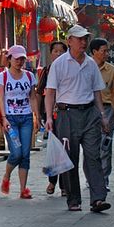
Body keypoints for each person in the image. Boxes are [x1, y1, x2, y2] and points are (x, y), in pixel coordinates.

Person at [44, 25, 110, 213]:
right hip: (66, 115)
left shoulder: (91, 64)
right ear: (69, 41)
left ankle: (98, 198)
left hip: (90, 114)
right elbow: (50, 92)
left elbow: (97, 91)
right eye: (80, 39)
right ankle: (73, 200)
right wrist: (49, 117)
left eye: (85, 39)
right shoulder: (59, 64)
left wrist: (103, 116)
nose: (83, 42)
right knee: (69, 158)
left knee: (93, 156)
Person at [0, 45, 38, 199]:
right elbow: (1, 98)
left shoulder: (29, 76)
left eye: (22, 59)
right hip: (11, 119)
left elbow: (33, 97)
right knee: (17, 153)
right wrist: (4, 117)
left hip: (26, 117)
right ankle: (7, 176)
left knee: (25, 154)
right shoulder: (3, 77)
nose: (20, 62)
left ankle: (23, 189)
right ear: (9, 59)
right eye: (17, 58)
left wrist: (36, 116)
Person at [88, 37, 114, 190]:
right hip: (88, 109)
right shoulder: (85, 67)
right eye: (104, 51)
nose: (107, 53)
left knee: (106, 146)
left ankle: (104, 179)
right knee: (90, 146)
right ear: (94, 52)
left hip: (107, 110)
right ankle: (91, 178)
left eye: (107, 50)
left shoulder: (111, 70)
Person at [37, 40, 67, 195]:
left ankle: (64, 185)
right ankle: (52, 182)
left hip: (67, 114)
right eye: (55, 51)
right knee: (54, 149)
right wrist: (40, 115)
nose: (58, 54)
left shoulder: (70, 68)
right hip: (52, 115)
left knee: (66, 149)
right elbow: (40, 92)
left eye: (61, 51)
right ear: (51, 53)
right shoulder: (48, 70)